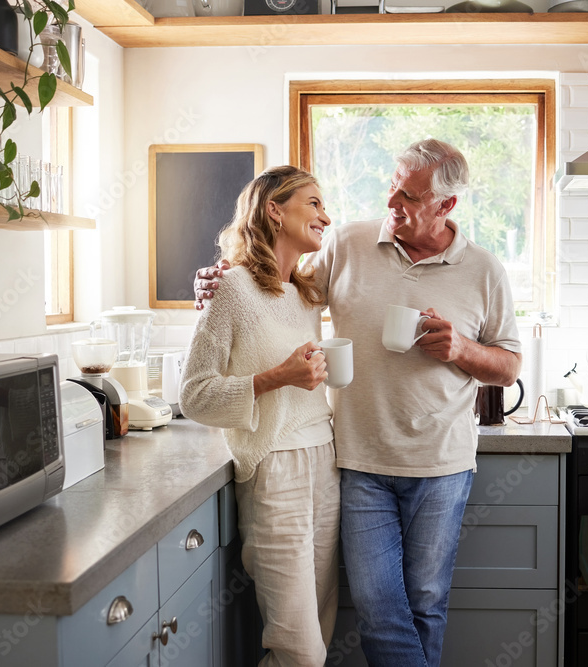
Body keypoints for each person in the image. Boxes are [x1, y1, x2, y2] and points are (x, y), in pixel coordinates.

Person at [194, 139, 522, 666]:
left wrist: (460, 348)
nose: (392, 203)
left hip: (442, 463)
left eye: (409, 197)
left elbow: (508, 365)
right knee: (375, 605)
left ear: (446, 206)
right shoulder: (347, 244)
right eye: (391, 186)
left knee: (426, 603)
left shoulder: (483, 269)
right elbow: (280, 288)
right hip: (357, 460)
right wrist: (220, 278)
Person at [179, 165, 340, 667]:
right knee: (299, 652)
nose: (325, 216)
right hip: (274, 471)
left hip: (324, 464)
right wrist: (278, 377)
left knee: (322, 628)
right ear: (274, 209)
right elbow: (195, 395)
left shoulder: (306, 294)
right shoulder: (231, 289)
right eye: (313, 203)